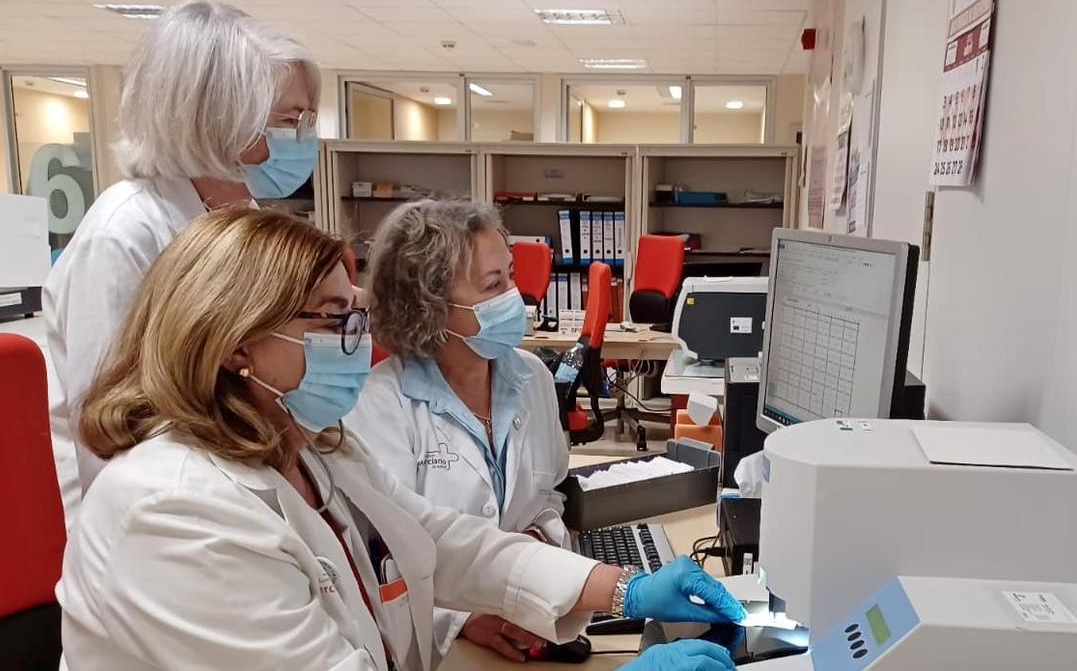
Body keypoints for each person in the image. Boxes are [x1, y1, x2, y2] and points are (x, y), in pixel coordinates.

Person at [57, 206, 743, 671]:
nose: (361, 342)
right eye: (334, 320)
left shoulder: (311, 444)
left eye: (356, 315)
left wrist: (618, 589)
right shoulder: (172, 514)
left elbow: (434, 539)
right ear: (236, 342)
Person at [42, 0, 321, 527]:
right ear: (219, 117)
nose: (304, 136)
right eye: (289, 120)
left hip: (239, 478)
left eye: (307, 119)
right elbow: (116, 423)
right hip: (157, 517)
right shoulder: (124, 235)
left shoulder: (242, 216)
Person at [346, 199, 571, 662]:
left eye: (510, 274)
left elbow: (550, 494)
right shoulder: (379, 405)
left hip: (531, 619)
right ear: (429, 305)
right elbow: (381, 557)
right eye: (494, 285)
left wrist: (539, 542)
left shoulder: (533, 378)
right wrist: (463, 619)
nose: (515, 295)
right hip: (438, 645)